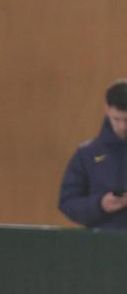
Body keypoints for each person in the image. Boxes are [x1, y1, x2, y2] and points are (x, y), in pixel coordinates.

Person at [58, 80, 127, 229]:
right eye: (117, 119)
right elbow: (68, 202)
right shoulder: (87, 154)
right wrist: (100, 204)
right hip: (103, 244)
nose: (123, 127)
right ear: (107, 110)